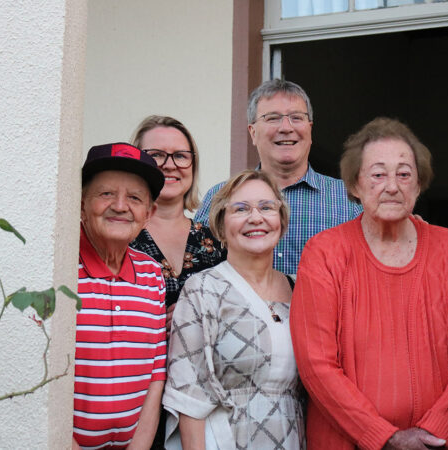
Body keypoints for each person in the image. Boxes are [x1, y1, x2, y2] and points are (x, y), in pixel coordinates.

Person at [290, 117, 448, 450]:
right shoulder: (324, 252)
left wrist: (433, 431)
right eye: (378, 174)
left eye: (404, 174)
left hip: (438, 445)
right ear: (355, 185)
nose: (392, 186)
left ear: (418, 183)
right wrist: (384, 436)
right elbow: (316, 363)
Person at [162, 170, 304, 449]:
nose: (256, 217)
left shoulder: (301, 290)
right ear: (221, 224)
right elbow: (189, 397)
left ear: (281, 220)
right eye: (241, 209)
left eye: (267, 207)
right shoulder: (202, 290)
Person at [128, 116, 226, 449]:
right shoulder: (120, 234)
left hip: (200, 401)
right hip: (132, 395)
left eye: (181, 156)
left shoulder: (215, 240)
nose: (170, 165)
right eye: (156, 155)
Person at [194, 79, 361, 275]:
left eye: (296, 118)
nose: (286, 128)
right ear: (253, 132)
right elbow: (199, 272)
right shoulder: (220, 198)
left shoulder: (349, 200)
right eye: (273, 118)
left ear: (310, 129)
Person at [73, 143, 167, 449]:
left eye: (135, 198)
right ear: (81, 202)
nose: (120, 206)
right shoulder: (60, 268)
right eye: (106, 194)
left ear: (149, 213)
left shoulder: (152, 273)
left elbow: (156, 375)